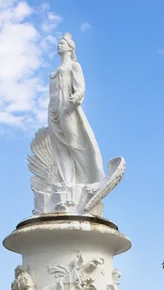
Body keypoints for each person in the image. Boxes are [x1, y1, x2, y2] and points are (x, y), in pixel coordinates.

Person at [48, 33, 105, 187]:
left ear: (70, 47)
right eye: (59, 43)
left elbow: (80, 88)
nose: (59, 45)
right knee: (60, 148)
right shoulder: (57, 68)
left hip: (67, 108)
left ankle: (88, 180)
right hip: (54, 111)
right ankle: (66, 182)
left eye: (61, 43)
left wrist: (76, 98)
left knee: (75, 144)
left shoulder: (74, 66)